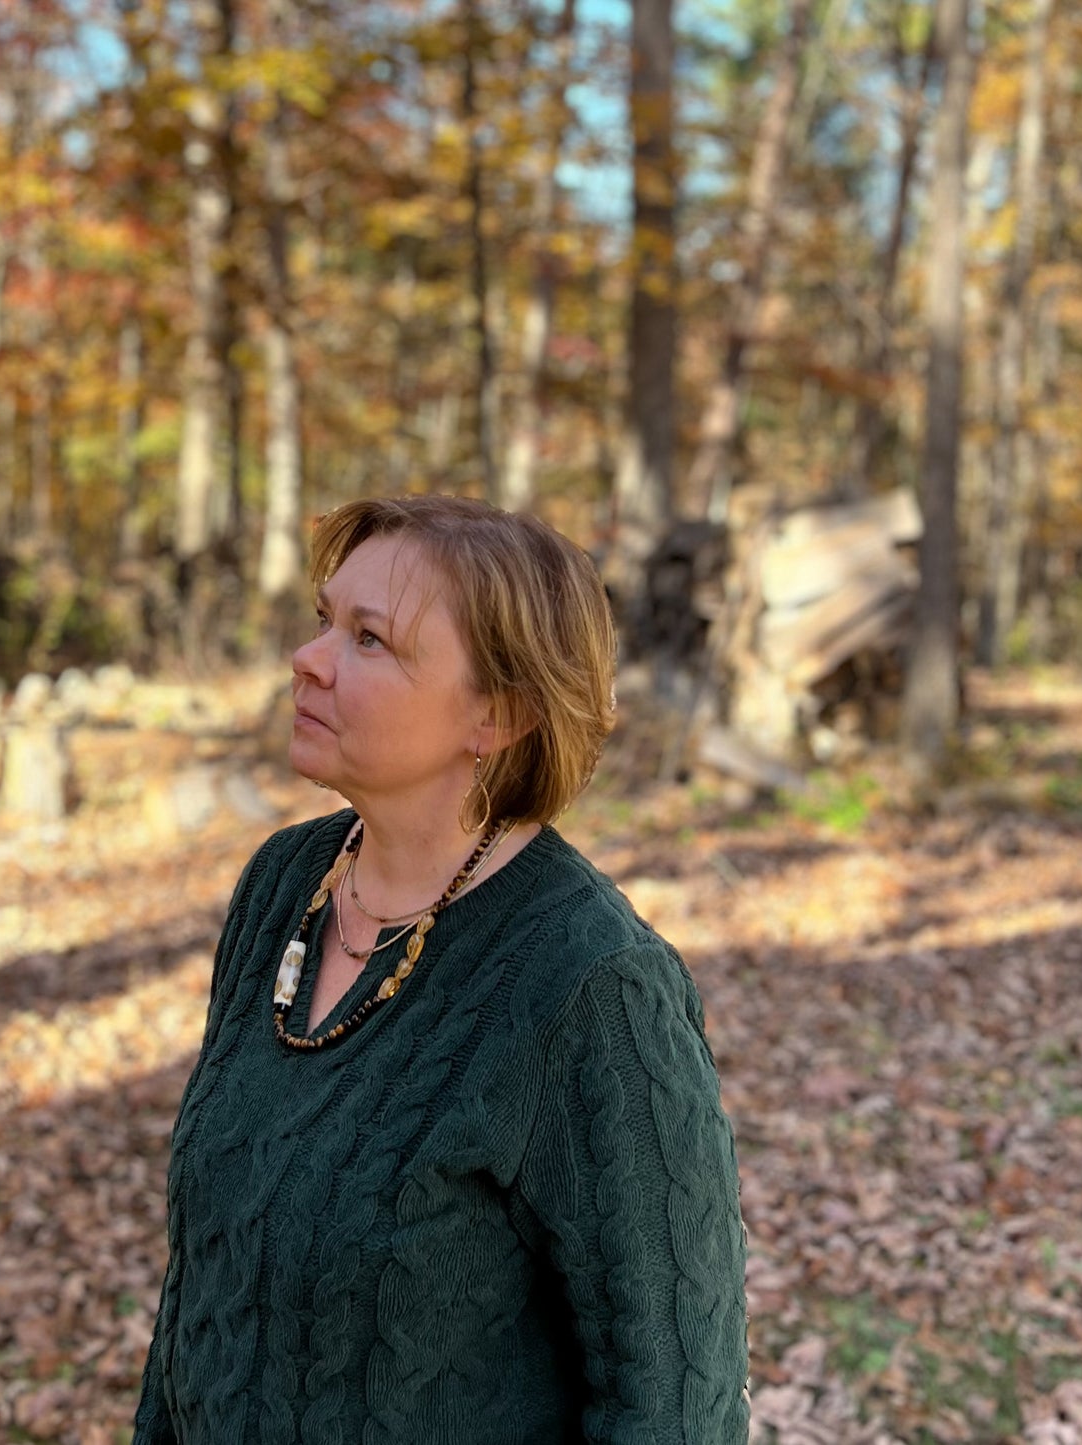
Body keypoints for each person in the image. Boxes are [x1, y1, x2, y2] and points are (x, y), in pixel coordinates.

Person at [132, 495, 749, 1445]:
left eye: (370, 639)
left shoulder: (593, 990)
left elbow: (672, 1408)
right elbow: (202, 1298)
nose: (308, 657)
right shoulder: (283, 888)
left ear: (497, 714)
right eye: (324, 619)